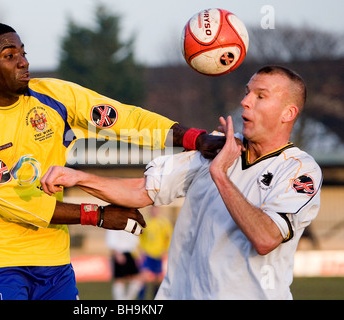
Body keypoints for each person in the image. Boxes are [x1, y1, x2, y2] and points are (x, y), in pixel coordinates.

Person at [0, 22, 223, 300]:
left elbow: (126, 119)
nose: (23, 62)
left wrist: (194, 139)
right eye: (9, 55)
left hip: (55, 259)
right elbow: (13, 202)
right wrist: (97, 215)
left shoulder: (54, 96)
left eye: (23, 52)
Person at [41, 66, 323, 299]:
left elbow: (266, 238)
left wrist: (221, 175)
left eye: (260, 96)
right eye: (247, 92)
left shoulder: (300, 171)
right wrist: (79, 178)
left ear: (288, 113)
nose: (245, 101)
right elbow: (143, 190)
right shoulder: (215, 149)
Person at [137, 207, 172, 299]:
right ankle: (141, 297)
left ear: (158, 210)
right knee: (143, 276)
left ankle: (155, 297)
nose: (154, 211)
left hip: (158, 254)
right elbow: (140, 237)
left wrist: (165, 249)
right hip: (147, 253)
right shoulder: (145, 223)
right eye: (153, 209)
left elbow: (168, 237)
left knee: (158, 279)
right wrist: (140, 250)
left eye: (156, 209)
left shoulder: (164, 223)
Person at [106, 229, 142, 300]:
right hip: (119, 253)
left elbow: (135, 240)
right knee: (119, 280)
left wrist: (138, 255)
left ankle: (128, 298)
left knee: (136, 280)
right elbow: (111, 240)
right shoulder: (114, 222)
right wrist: (117, 254)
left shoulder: (131, 223)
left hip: (130, 253)